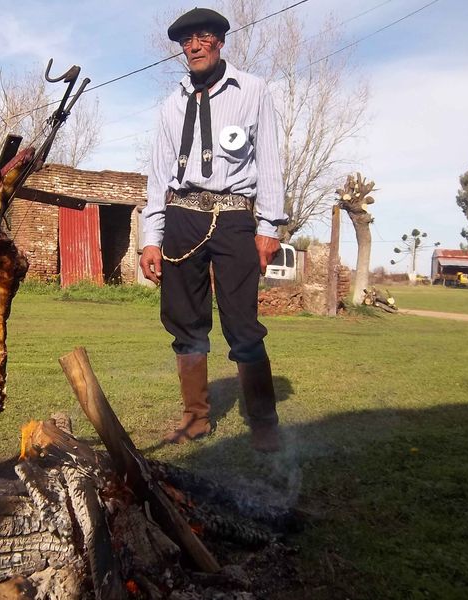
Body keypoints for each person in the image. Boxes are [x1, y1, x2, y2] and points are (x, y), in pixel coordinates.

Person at [139, 7, 287, 453]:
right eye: (187, 41)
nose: (195, 45)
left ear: (221, 41)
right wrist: (151, 237)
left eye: (204, 37)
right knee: (185, 322)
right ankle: (196, 418)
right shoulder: (171, 104)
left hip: (235, 217)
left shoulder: (253, 90)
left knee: (242, 322)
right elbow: (157, 175)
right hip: (182, 216)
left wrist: (271, 224)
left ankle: (263, 422)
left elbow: (272, 159)